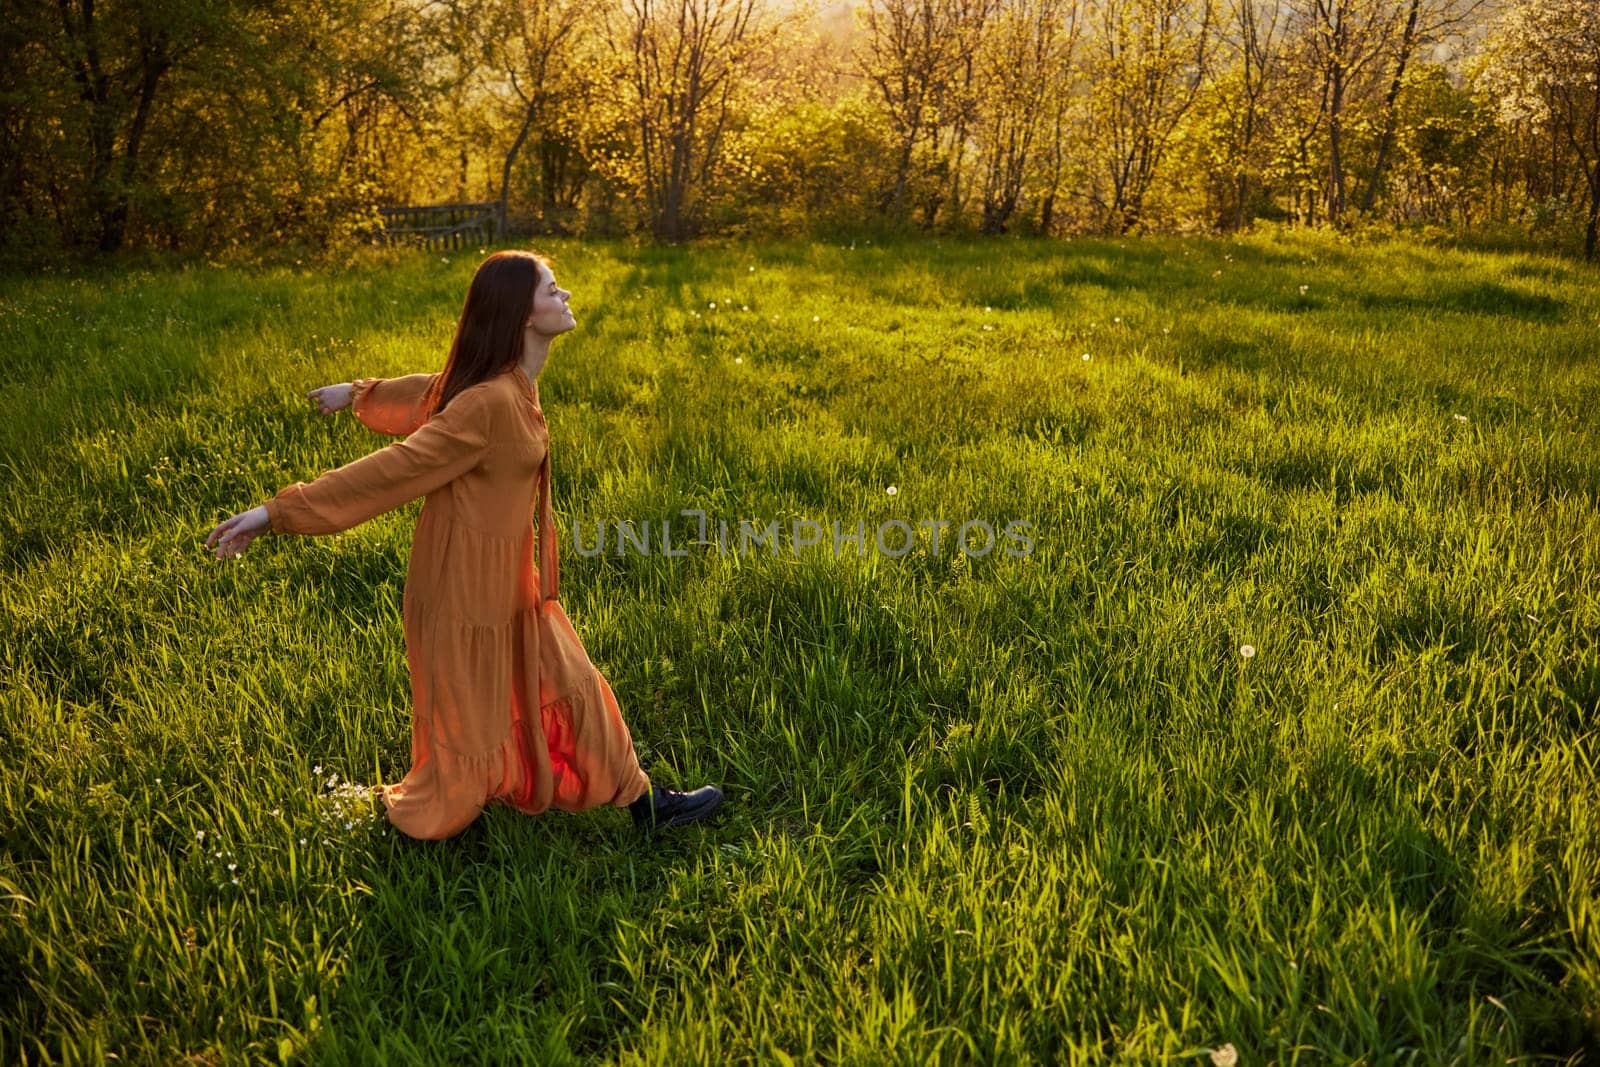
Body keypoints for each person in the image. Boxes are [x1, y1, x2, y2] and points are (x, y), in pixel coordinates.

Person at [203, 250, 723, 841]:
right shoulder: (490, 403)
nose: (567, 296)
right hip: (463, 590)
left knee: (574, 684)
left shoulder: (507, 385)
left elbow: (432, 390)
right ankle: (439, 815)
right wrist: (275, 513)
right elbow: (394, 470)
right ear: (522, 316)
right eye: (553, 290)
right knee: (474, 724)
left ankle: (645, 803)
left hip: (509, 581)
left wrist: (358, 393)